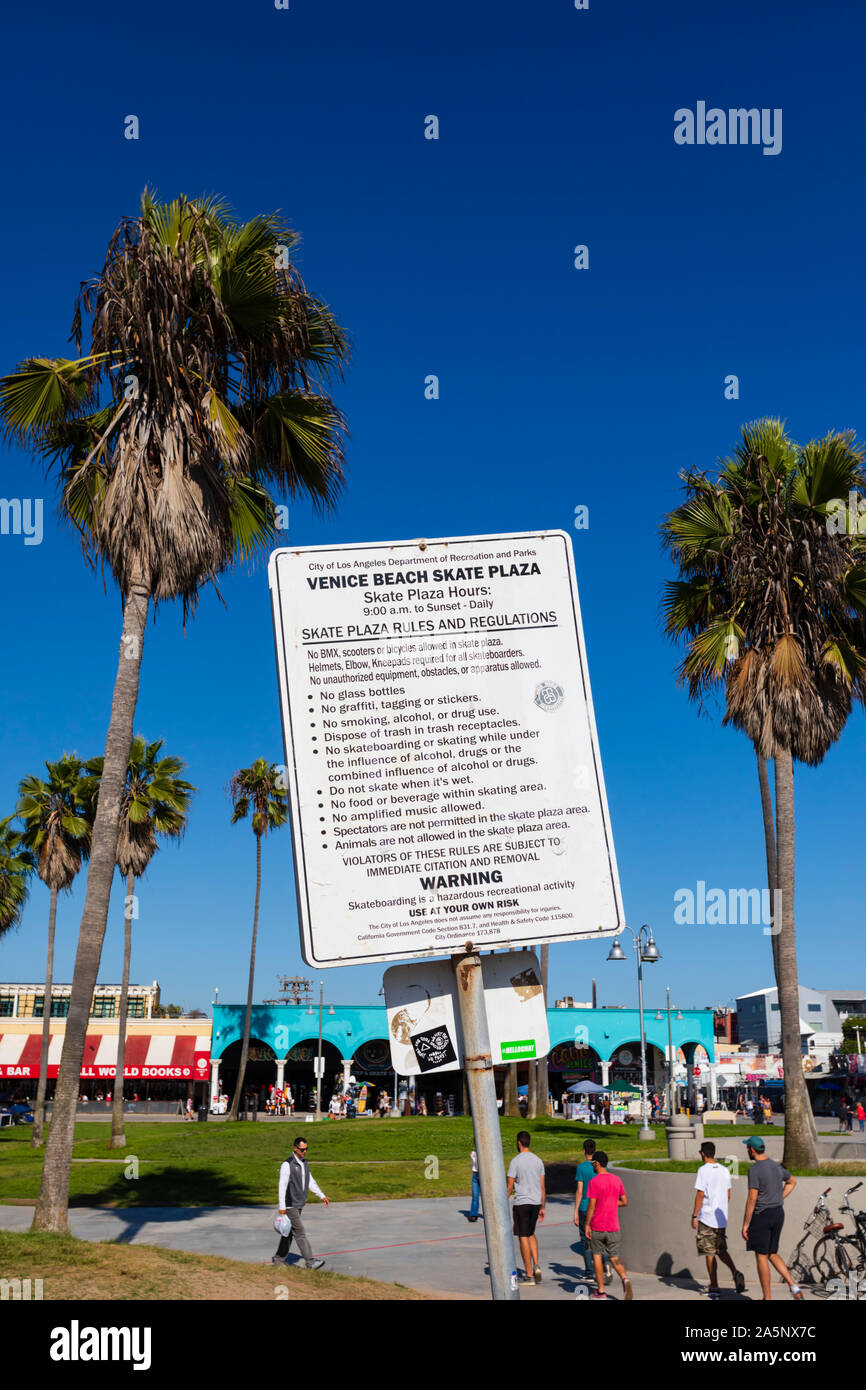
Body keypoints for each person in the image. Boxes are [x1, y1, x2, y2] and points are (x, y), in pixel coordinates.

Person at [741, 1136, 803, 1300]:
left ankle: (767, 1298)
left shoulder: (754, 1170)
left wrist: (745, 1224)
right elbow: (792, 1182)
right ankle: (794, 1288)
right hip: (778, 1213)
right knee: (771, 1252)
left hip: (762, 1216)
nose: (747, 1150)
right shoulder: (776, 1166)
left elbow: (752, 1199)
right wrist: (780, 1198)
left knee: (761, 1256)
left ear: (752, 1150)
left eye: (748, 1148)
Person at [691, 1142, 746, 1295]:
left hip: (707, 1217)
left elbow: (700, 1194)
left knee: (709, 1252)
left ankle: (714, 1285)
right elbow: (728, 1194)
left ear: (703, 1153)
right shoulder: (724, 1170)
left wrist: (695, 1215)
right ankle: (735, 1272)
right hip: (721, 1218)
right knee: (721, 1250)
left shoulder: (702, 1170)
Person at [273, 1136, 330, 1270]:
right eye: (302, 1149)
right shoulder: (287, 1164)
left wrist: (321, 1195)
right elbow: (282, 1186)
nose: (304, 1152)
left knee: (289, 1233)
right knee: (300, 1232)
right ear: (295, 1148)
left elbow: (310, 1181)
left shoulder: (304, 1163)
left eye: (306, 1149)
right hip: (290, 1204)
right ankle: (310, 1262)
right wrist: (282, 1207)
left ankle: (278, 1259)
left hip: (299, 1204)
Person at [584, 1151, 632, 1300]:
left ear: (597, 1163)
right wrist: (611, 1202)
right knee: (615, 1257)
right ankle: (625, 1278)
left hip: (598, 1226)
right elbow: (624, 1201)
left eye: (593, 1163)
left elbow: (591, 1206)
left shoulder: (594, 1181)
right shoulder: (617, 1180)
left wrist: (587, 1224)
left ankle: (601, 1291)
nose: (592, 1165)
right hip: (613, 1227)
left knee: (597, 1256)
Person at [506, 1131, 546, 1284]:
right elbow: (542, 1186)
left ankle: (529, 1275)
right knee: (531, 1233)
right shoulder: (538, 1161)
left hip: (522, 1202)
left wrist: (503, 1202)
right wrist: (543, 1206)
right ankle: (536, 1265)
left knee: (522, 1235)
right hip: (536, 1202)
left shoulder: (515, 1161)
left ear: (518, 1143)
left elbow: (509, 1186)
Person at [573, 1138, 610, 1285]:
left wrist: (575, 1210)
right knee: (600, 1239)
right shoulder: (600, 1166)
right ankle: (604, 1262)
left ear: (583, 1151)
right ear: (595, 1150)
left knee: (586, 1240)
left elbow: (579, 1191)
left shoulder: (581, 1168)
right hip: (600, 1207)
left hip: (585, 1207)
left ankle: (589, 1272)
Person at [468, 1149, 481, 1222]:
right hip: (475, 1175)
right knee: (475, 1196)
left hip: (484, 1175)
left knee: (488, 1196)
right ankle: (474, 1214)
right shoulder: (473, 1153)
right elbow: (475, 1165)